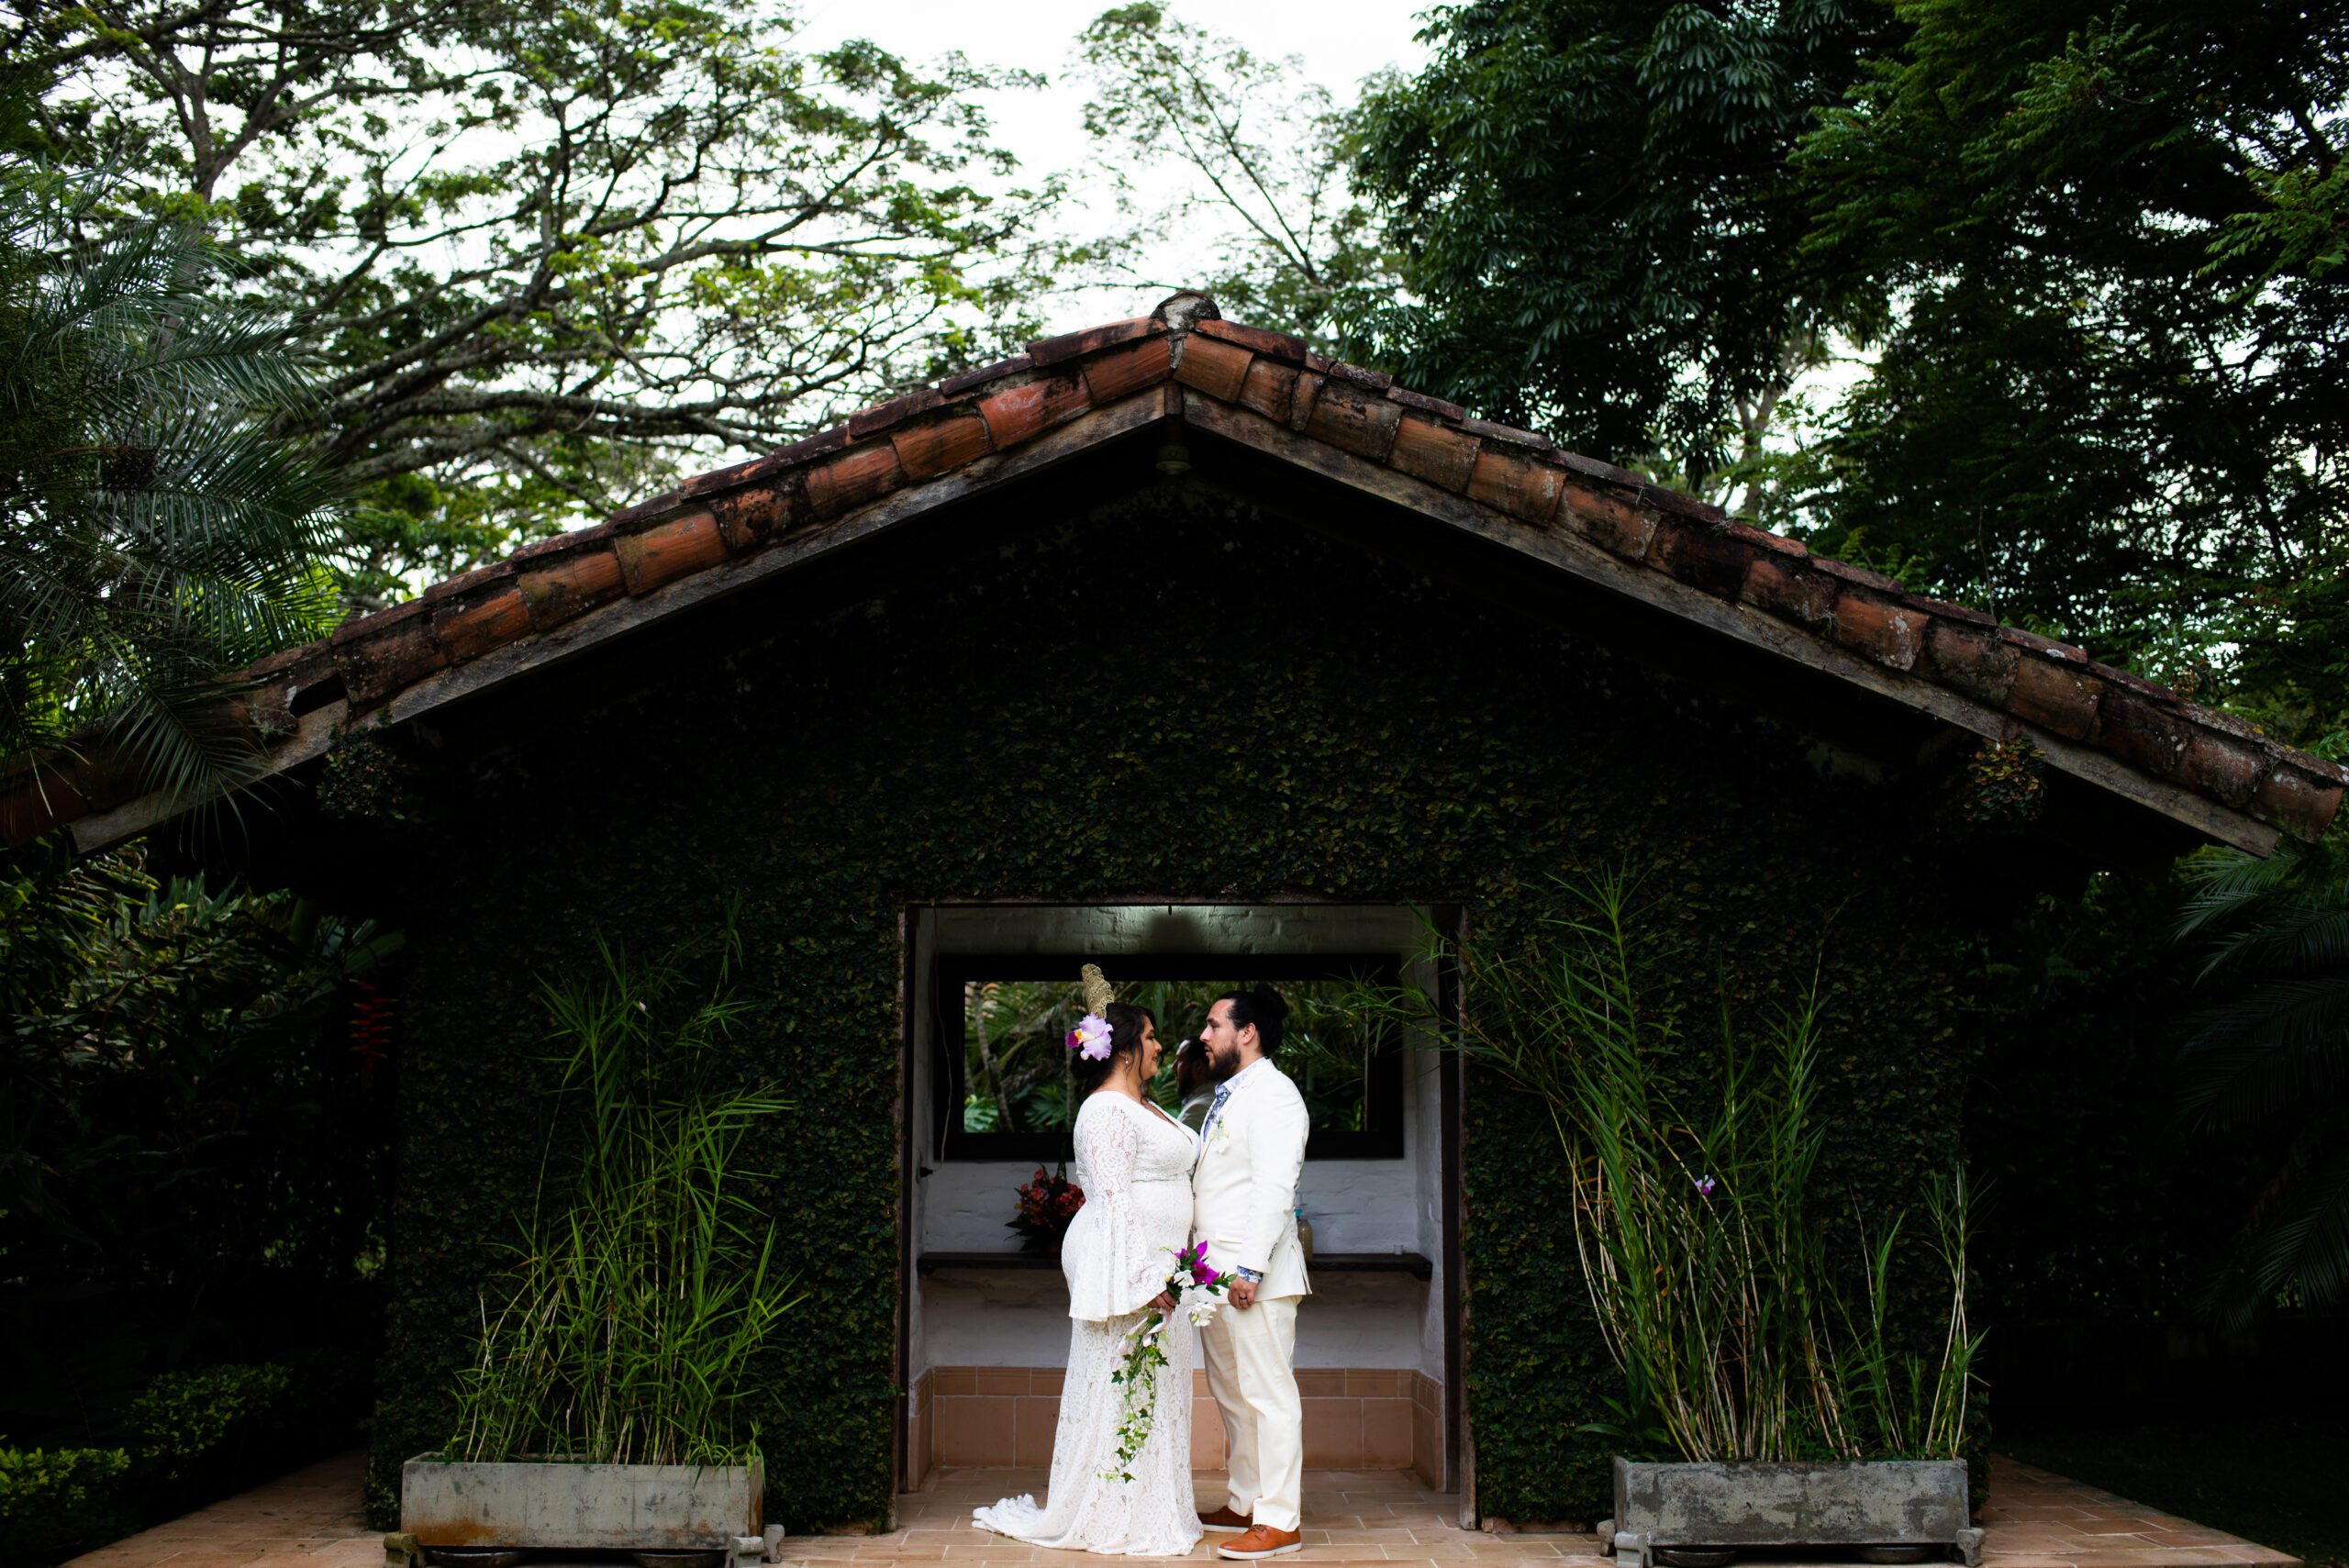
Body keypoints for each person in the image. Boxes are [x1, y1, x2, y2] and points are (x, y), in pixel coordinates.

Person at [974, 974, 1203, 1557]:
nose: (1158, 1047)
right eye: (1150, 1038)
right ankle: (1110, 1513)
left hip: (1163, 1268)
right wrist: (1146, 1280)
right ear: (1124, 1048)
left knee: (1154, 1390)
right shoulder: (1104, 1112)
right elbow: (1114, 1198)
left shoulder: (1143, 1105)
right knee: (1122, 1387)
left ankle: (1149, 1504)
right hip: (1129, 1271)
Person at [1190, 986, 1312, 1561]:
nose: (1204, 1036)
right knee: (1233, 1395)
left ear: (1248, 1032)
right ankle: (1243, 1500)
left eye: (1214, 1025)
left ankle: (1279, 1519)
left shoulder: (1276, 1095)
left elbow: (1273, 1189)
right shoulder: (1230, 1094)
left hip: (1251, 1276)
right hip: (1213, 1275)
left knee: (1269, 1396)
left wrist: (1251, 1268)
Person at [1175, 1036, 1216, 1131]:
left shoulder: (1196, 1110)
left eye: (1180, 1060)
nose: (1173, 1067)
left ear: (1198, 1066)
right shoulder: (1221, 1098)